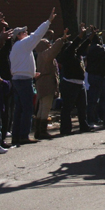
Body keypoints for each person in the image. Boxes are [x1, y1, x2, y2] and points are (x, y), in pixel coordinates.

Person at [9, 8, 54, 146]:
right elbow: (36, 35)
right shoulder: (23, 44)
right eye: (23, 32)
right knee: (27, 108)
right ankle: (23, 135)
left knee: (19, 109)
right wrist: (48, 21)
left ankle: (16, 135)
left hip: (18, 79)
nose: (26, 33)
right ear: (18, 35)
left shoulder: (16, 48)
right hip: (23, 81)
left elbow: (17, 67)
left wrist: (32, 73)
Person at [34, 33, 66, 139]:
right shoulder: (45, 55)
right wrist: (61, 39)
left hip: (41, 83)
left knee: (41, 107)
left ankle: (37, 130)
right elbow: (54, 50)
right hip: (47, 84)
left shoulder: (40, 56)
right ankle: (42, 130)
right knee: (46, 107)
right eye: (47, 43)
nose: (49, 44)